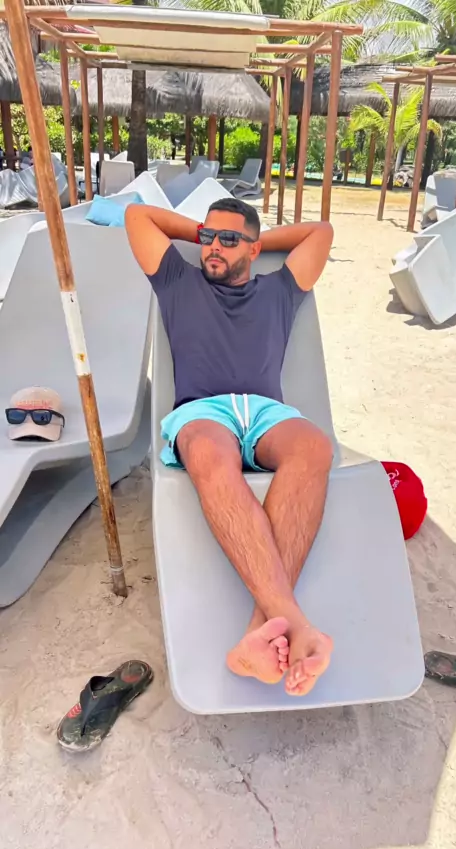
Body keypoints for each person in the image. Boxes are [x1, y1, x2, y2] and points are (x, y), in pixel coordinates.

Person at [125, 197, 334, 697]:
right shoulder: (177, 280)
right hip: (204, 411)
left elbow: (322, 232)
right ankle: (294, 623)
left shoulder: (281, 289)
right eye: (207, 237)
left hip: (265, 412)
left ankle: (257, 636)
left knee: (314, 447)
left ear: (255, 249)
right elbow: (137, 216)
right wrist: (208, 231)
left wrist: (254, 239)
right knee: (207, 454)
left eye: (228, 239)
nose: (212, 247)